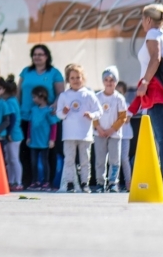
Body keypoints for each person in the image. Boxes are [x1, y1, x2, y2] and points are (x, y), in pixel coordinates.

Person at [127, 3, 163, 191]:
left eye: (142, 19)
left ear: (148, 19)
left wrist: (144, 82)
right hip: (160, 91)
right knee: (161, 137)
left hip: (155, 91)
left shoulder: (153, 34)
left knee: (162, 137)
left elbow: (155, 58)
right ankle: (162, 177)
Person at [18, 44, 65, 186]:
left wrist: (55, 105)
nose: (37, 57)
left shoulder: (54, 73)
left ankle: (49, 182)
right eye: (35, 54)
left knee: (49, 151)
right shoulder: (26, 71)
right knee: (25, 151)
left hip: (47, 118)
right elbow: (18, 92)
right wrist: (16, 108)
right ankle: (29, 181)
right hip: (26, 117)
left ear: (47, 56)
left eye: (40, 54)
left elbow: (61, 94)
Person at [56, 64, 101, 193]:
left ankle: (85, 183)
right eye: (72, 78)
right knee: (69, 159)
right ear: (68, 80)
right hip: (69, 134)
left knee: (85, 160)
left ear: (83, 78)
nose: (75, 80)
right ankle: (70, 183)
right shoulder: (64, 96)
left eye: (78, 77)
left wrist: (92, 115)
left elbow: (99, 111)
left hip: (85, 134)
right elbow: (59, 114)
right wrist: (64, 112)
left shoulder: (89, 94)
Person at [93, 66, 127, 193]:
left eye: (112, 80)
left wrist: (111, 130)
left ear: (116, 82)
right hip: (99, 133)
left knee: (114, 159)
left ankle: (113, 182)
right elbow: (94, 114)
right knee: (100, 159)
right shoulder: (97, 97)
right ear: (103, 81)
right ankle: (100, 182)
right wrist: (99, 129)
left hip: (114, 135)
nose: (109, 82)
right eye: (106, 80)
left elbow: (122, 117)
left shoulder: (119, 98)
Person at [26, 86, 58, 191]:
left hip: (44, 141)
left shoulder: (49, 110)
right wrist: (28, 137)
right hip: (34, 141)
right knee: (33, 162)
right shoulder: (33, 109)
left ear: (42, 97)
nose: (33, 99)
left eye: (35, 97)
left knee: (45, 162)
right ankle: (35, 181)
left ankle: (46, 182)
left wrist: (52, 139)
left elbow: (54, 125)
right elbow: (30, 124)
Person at [3, 79, 23, 191]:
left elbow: (12, 118)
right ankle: (11, 181)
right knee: (10, 159)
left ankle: (18, 182)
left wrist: (9, 133)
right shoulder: (13, 100)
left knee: (14, 159)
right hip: (14, 134)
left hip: (13, 135)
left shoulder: (10, 102)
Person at [115, 81, 134, 191]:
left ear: (124, 93)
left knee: (124, 158)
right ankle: (114, 182)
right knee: (114, 159)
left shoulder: (127, 105)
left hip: (125, 135)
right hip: (114, 135)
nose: (118, 94)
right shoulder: (111, 104)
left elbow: (126, 120)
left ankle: (128, 181)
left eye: (120, 92)